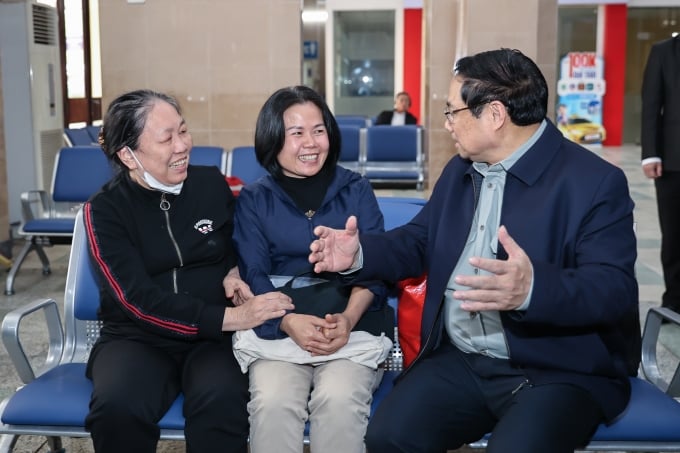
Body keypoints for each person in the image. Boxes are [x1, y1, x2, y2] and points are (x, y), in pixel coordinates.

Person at [309, 48, 641, 453]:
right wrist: (358, 255)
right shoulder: (460, 171)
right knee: (388, 437)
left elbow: (613, 289)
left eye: (453, 112)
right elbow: (417, 242)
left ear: (495, 114)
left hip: (557, 367)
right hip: (463, 357)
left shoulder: (593, 182)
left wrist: (534, 289)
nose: (447, 124)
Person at [82, 89, 294, 453]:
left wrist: (232, 270)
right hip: (136, 338)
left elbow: (238, 243)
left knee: (223, 399)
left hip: (212, 341)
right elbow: (136, 300)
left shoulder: (209, 183)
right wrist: (231, 316)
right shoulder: (105, 211)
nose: (182, 145)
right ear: (128, 156)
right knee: (117, 408)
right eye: (167, 138)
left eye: (183, 131)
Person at [232, 85, 390, 453]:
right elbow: (253, 272)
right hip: (278, 324)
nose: (311, 143)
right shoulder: (256, 198)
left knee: (337, 401)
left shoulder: (356, 189)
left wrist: (348, 320)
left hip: (351, 323)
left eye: (319, 130)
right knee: (272, 403)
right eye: (296, 132)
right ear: (273, 138)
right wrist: (288, 322)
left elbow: (377, 266)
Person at [641, 35, 680, 314]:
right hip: (673, 160)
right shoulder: (664, 51)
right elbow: (651, 106)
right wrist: (651, 153)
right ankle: (675, 301)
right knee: (675, 235)